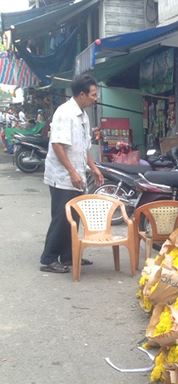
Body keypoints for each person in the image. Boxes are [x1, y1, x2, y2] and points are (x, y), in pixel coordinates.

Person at [39, 74, 104, 273]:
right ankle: (49, 258)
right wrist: (72, 172)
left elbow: (84, 148)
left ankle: (68, 256)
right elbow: (57, 144)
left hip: (77, 174)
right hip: (63, 176)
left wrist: (93, 168)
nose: (96, 98)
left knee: (73, 217)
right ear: (82, 94)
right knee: (61, 217)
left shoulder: (82, 114)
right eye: (93, 94)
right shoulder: (65, 113)